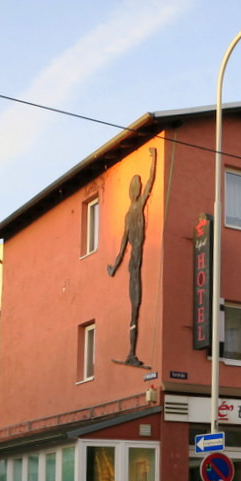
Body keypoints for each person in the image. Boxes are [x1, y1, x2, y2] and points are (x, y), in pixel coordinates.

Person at [107, 147, 157, 367]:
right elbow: (122, 245)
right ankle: (131, 354)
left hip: (132, 264)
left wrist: (114, 267)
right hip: (134, 264)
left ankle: (131, 353)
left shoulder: (131, 212)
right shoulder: (133, 211)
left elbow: (121, 248)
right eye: (136, 187)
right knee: (134, 308)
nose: (137, 189)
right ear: (135, 191)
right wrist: (154, 157)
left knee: (135, 308)